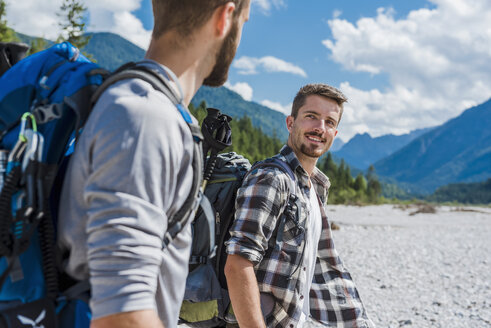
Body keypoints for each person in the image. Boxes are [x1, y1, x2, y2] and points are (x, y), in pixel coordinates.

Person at [57, 1, 250, 327]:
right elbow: (122, 315)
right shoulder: (146, 117)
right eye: (244, 21)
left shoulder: (152, 109)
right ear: (225, 18)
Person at [224, 84, 375, 328]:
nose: (320, 128)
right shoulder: (272, 178)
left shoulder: (314, 186)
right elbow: (238, 264)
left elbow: (315, 266)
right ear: (290, 123)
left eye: (329, 122)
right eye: (311, 117)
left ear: (335, 134)